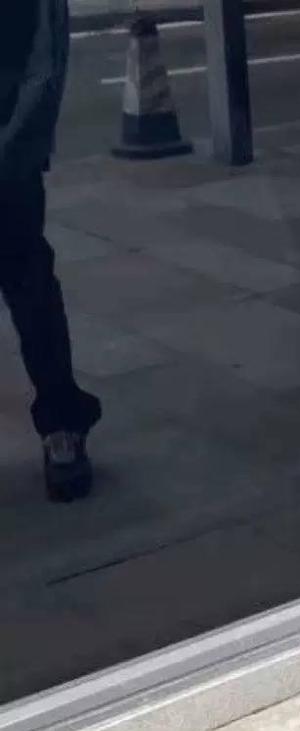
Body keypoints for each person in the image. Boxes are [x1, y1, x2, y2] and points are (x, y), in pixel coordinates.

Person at [1, 0, 101, 502]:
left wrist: (11, 148)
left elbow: (44, 60)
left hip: (6, 155)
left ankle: (62, 427)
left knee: (30, 287)